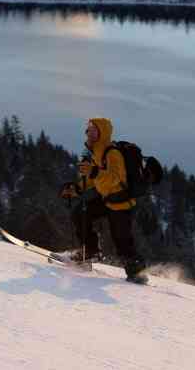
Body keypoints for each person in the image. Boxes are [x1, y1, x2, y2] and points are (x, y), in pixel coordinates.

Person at [60, 117, 146, 282]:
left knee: (121, 239)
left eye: (92, 129)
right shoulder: (97, 153)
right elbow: (93, 180)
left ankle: (136, 272)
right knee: (80, 213)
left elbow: (117, 179)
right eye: (88, 129)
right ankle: (90, 252)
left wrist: (95, 172)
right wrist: (77, 189)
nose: (88, 132)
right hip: (106, 199)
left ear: (102, 132)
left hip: (121, 202)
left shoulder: (112, 153)